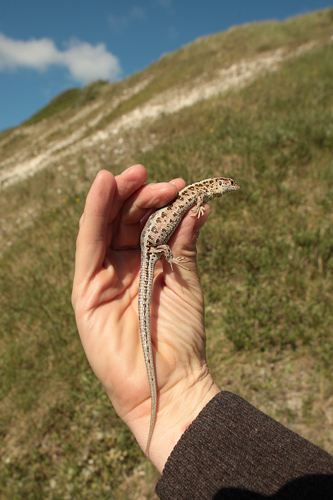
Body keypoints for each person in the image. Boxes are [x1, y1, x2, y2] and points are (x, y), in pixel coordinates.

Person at [72, 165, 333, 499]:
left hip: (154, 247)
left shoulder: (198, 196)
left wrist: (179, 400)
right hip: (152, 247)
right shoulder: (196, 193)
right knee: (159, 243)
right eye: (229, 184)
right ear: (218, 185)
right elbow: (176, 210)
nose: (231, 188)